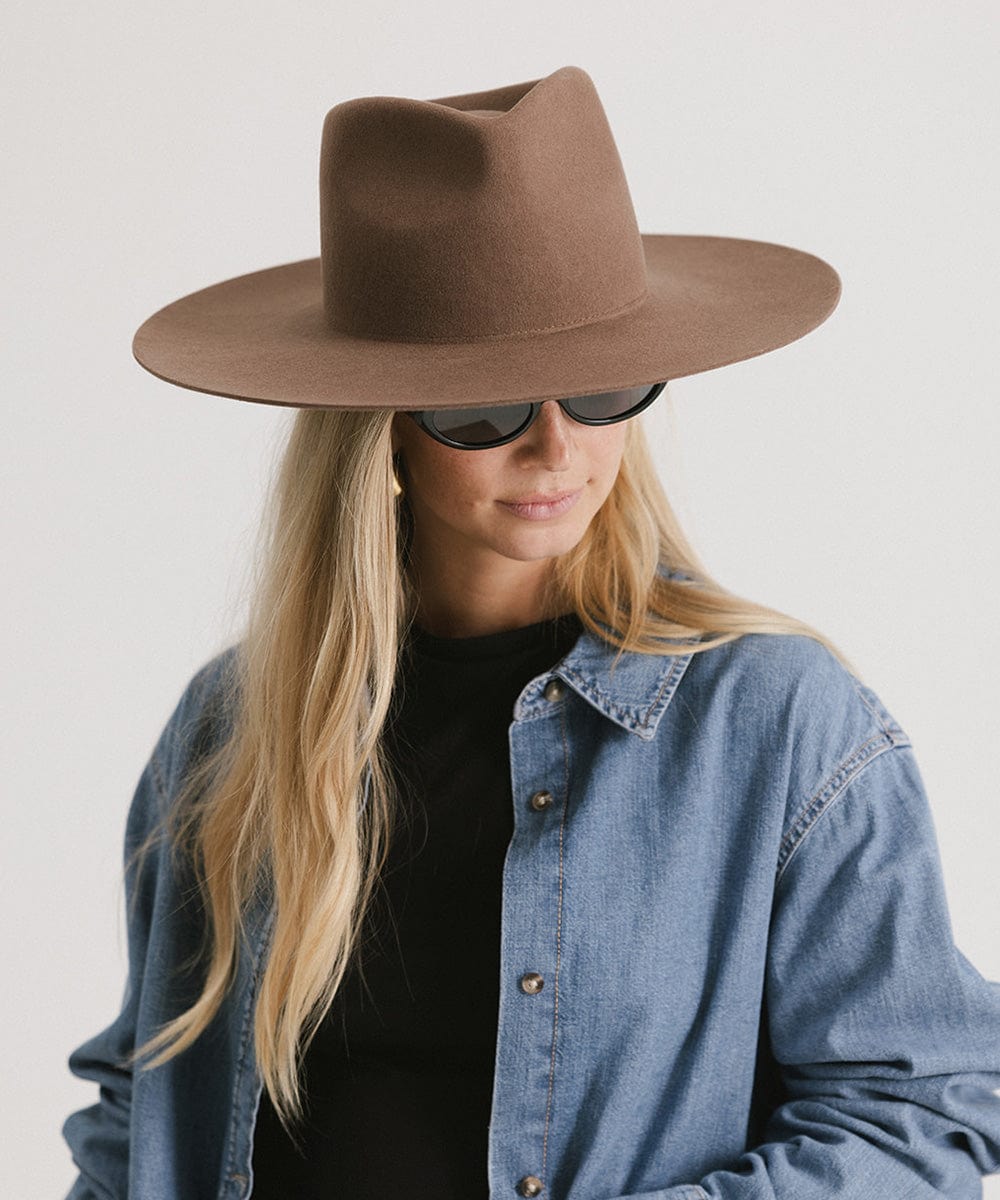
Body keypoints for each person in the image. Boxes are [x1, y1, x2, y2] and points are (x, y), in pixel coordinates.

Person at [61, 65, 1000, 1200]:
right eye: (484, 404)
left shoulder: (779, 727)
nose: (556, 449)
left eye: (601, 386)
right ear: (379, 433)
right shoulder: (234, 726)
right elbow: (142, 1107)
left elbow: (923, 1110)